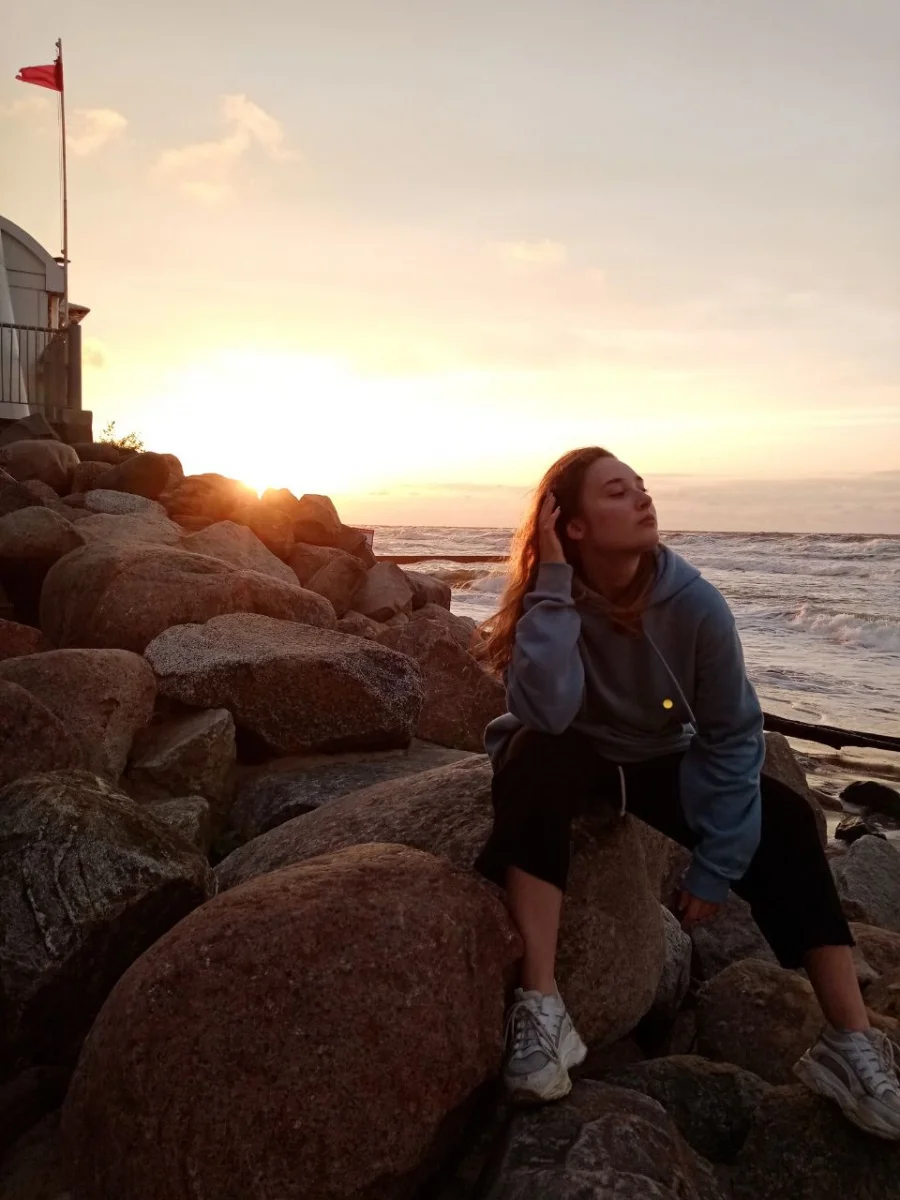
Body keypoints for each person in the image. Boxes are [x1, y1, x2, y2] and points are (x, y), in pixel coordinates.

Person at [474, 445, 900, 1139]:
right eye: (616, 491)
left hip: (658, 757)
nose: (642, 498)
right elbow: (545, 713)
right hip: (570, 753)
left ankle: (850, 1043)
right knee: (532, 756)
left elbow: (734, 735)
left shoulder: (695, 605)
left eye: (641, 486)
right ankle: (542, 1008)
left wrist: (716, 864)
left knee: (788, 819)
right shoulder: (549, 599)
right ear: (570, 525)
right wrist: (552, 580)